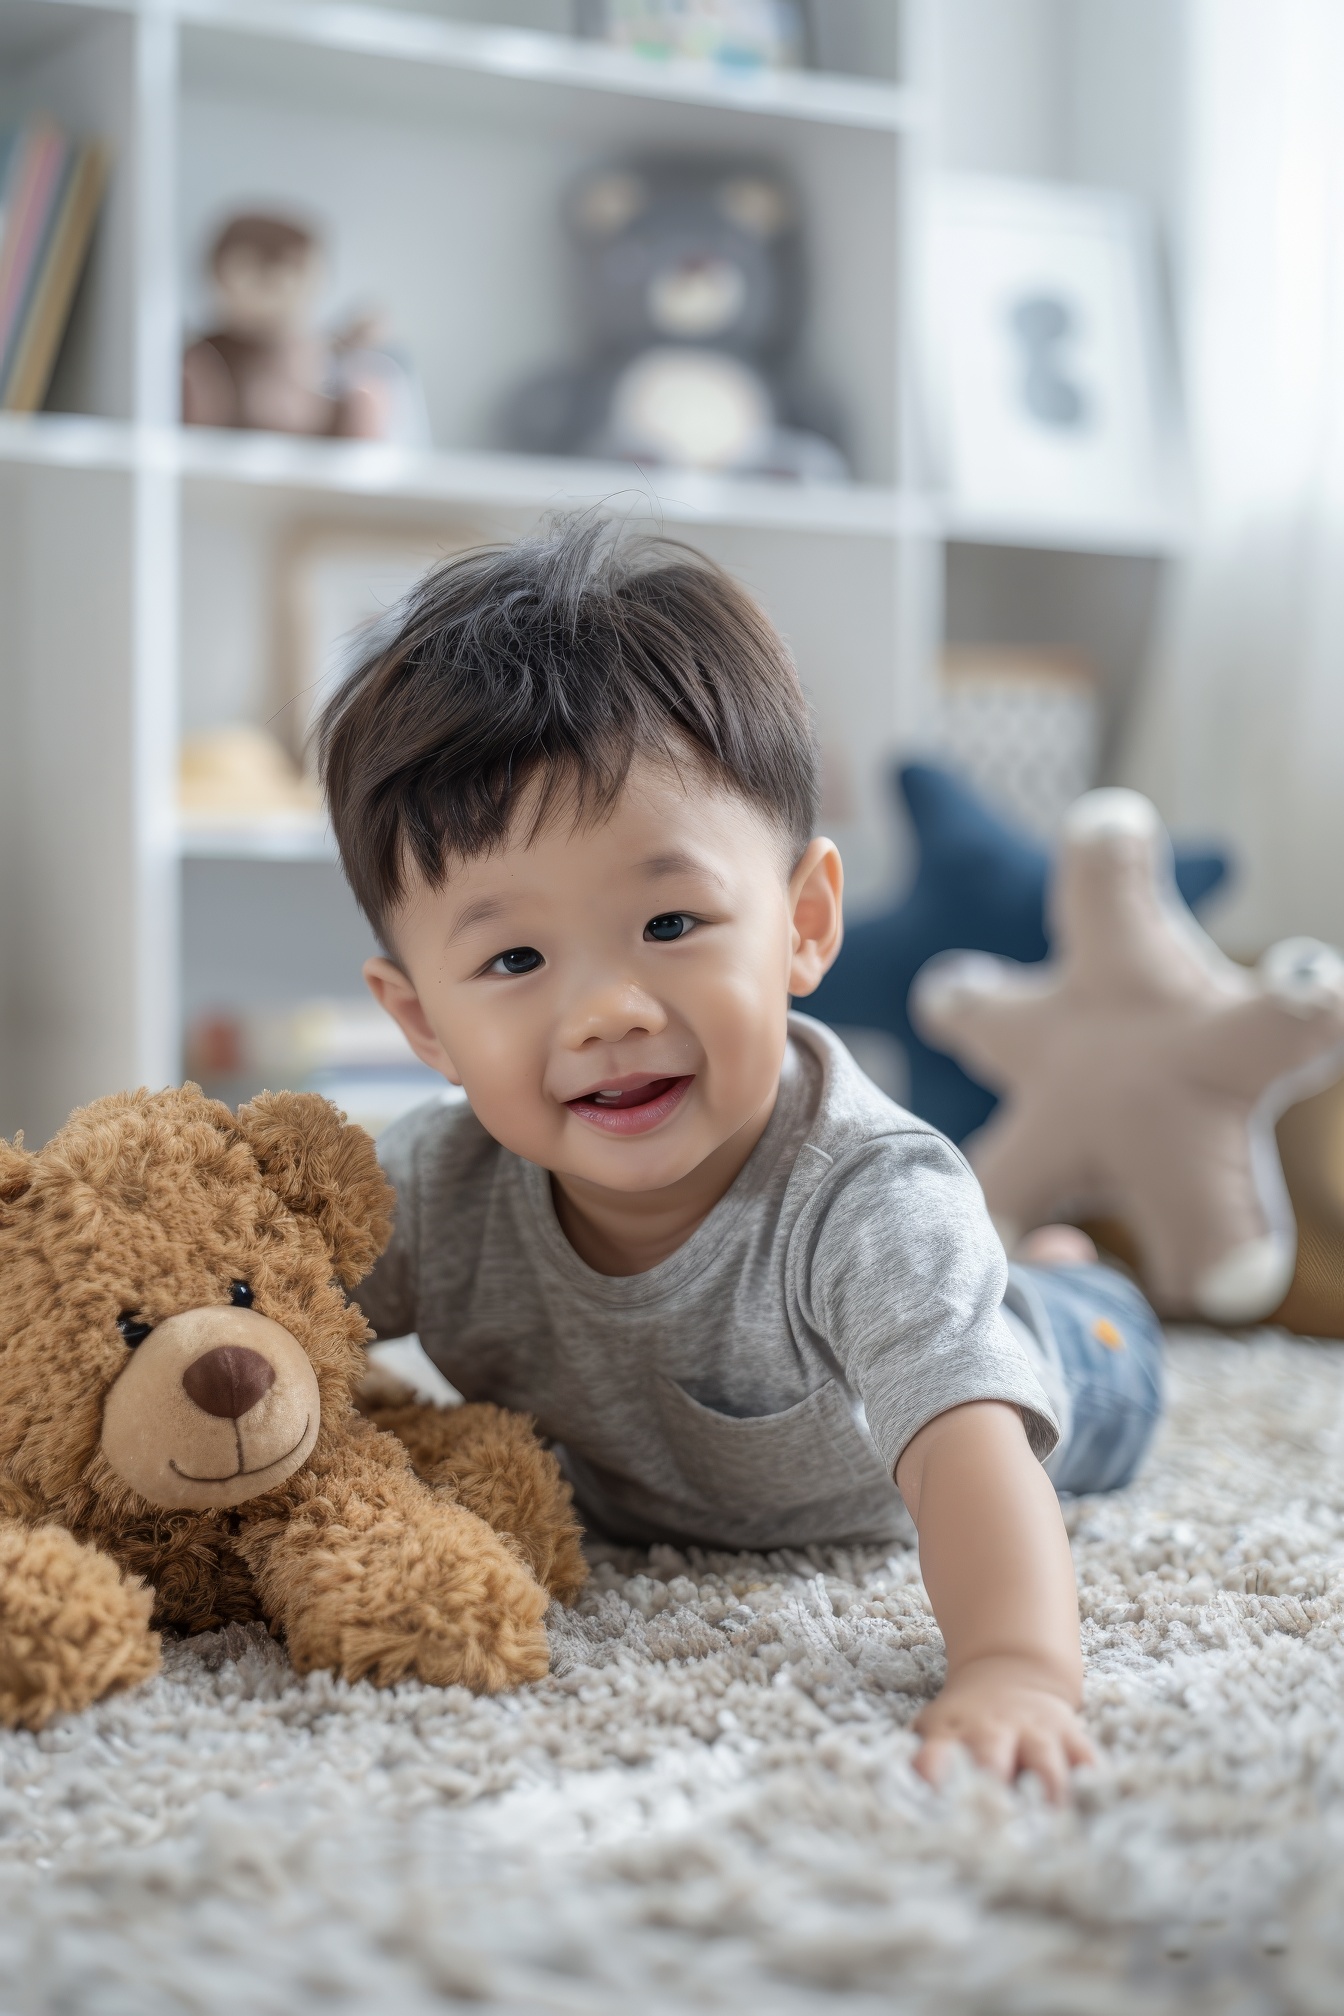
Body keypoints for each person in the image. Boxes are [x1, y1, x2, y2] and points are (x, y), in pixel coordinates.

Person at [317, 517, 1163, 1800]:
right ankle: (1036, 1260)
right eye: (514, 960)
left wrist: (1014, 1670)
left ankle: (1066, 1276)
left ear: (804, 924)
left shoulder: (866, 1197)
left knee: (1060, 1349)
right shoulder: (440, 1190)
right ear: (424, 1020)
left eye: (670, 922)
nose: (607, 1012)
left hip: (1062, 1377)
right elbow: (247, 1314)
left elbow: (967, 1454)